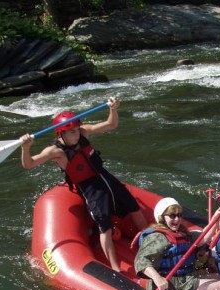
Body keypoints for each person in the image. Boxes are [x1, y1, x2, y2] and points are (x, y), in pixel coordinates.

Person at [20, 96, 147, 273]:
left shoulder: (84, 132)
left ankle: (152, 241)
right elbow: (29, 164)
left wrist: (113, 109)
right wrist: (26, 148)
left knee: (134, 207)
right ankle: (116, 269)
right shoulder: (55, 151)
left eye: (76, 130)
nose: (76, 134)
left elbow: (111, 125)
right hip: (88, 187)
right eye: (71, 132)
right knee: (105, 226)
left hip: (104, 176)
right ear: (61, 133)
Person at [134, 197, 220, 290]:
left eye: (179, 215)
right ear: (162, 217)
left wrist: (215, 218)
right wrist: (157, 278)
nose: (177, 219)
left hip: (184, 282)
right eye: (172, 215)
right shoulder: (157, 237)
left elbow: (202, 239)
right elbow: (141, 261)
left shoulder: (181, 233)